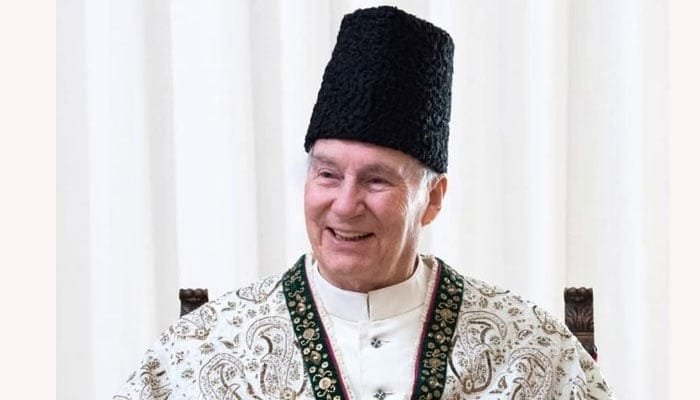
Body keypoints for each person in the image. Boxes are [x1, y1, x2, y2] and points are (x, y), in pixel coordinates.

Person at [114, 6, 614, 400]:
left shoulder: (531, 352)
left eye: (376, 181)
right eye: (327, 174)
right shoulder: (204, 351)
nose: (345, 204)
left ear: (432, 199)